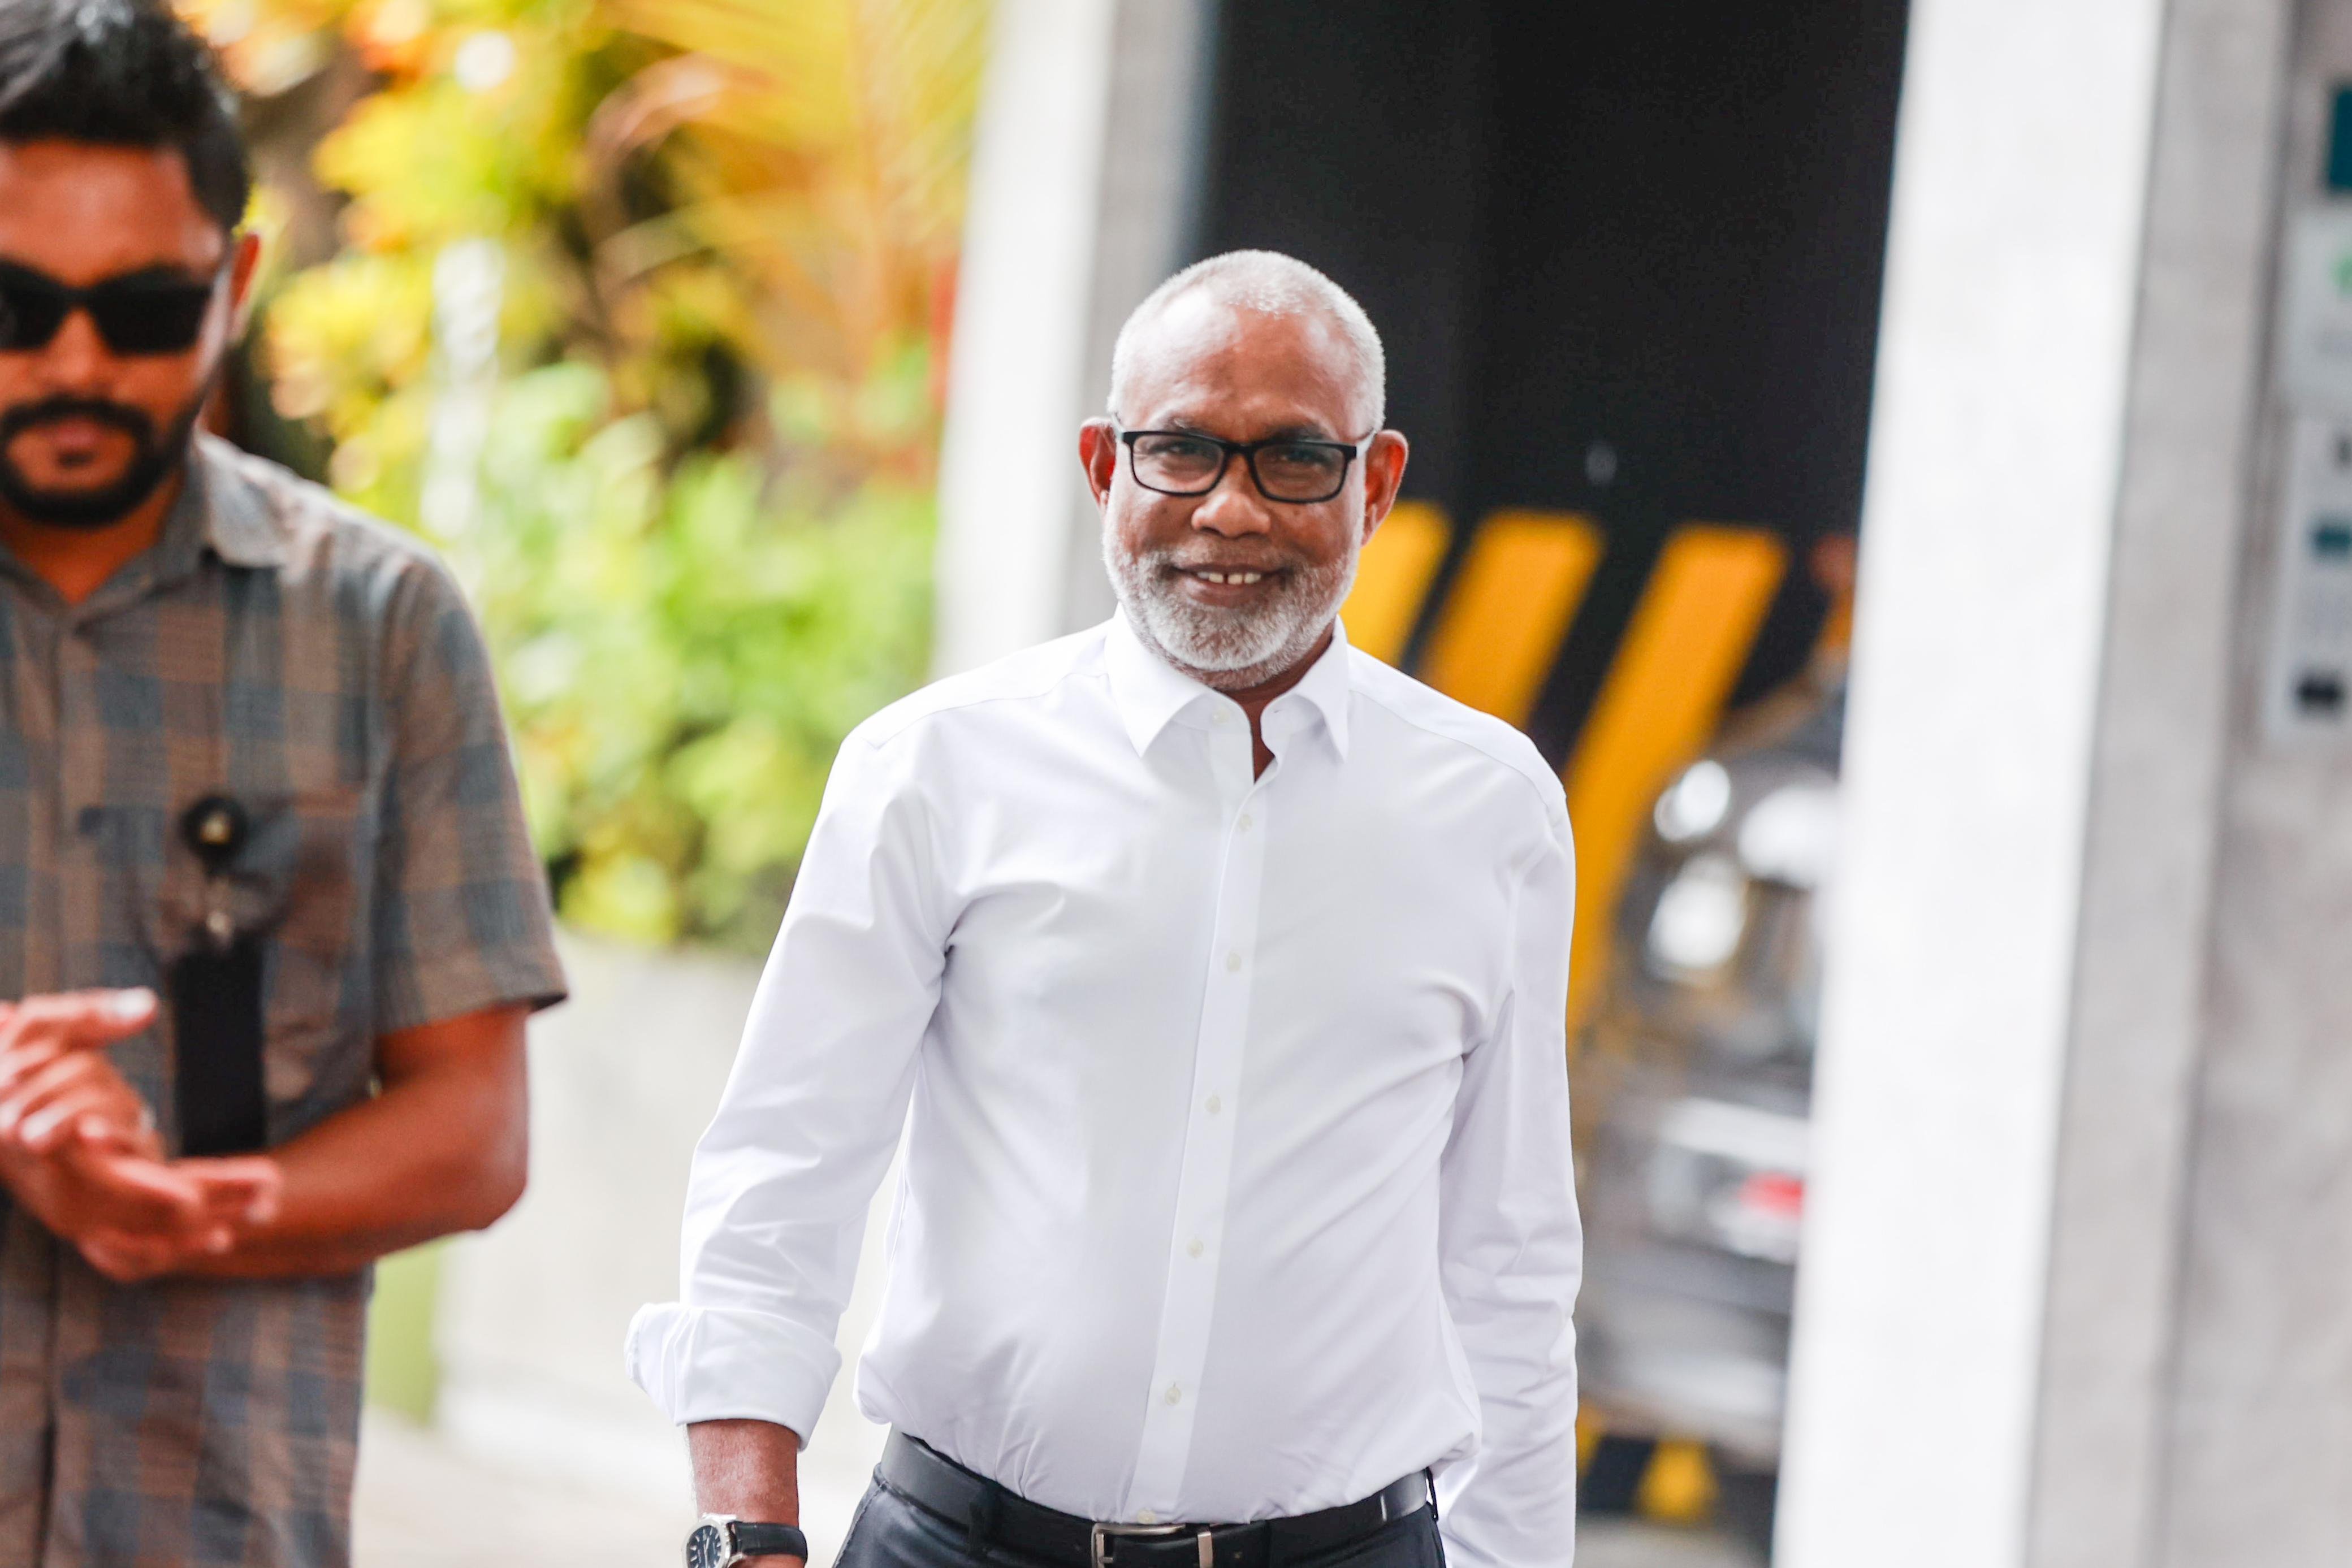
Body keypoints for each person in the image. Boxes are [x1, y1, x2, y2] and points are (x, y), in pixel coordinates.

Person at [630, 250, 1582, 1568]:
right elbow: (783, 1172)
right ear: (1101, 466)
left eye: (1294, 458)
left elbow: (1509, 1260)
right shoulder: (934, 767)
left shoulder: (1491, 809)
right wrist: (747, 1535)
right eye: (1180, 450)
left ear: (1374, 484)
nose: (1231, 510)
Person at [0, 2, 567, 1562]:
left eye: (141, 310)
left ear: (237, 282)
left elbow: (474, 1124)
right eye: (15, 304)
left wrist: (199, 1208)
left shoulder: (383, 623)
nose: (73, 362)